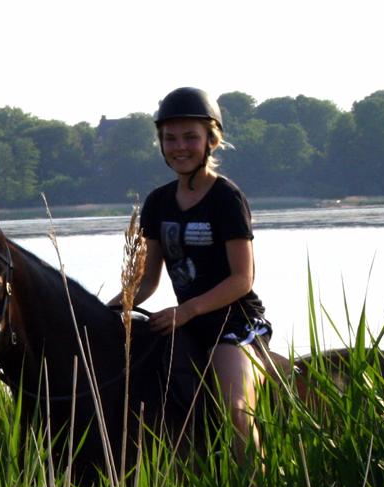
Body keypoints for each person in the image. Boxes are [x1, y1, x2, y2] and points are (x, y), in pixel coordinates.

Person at [109, 87, 271, 460]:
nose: (179, 146)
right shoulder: (158, 203)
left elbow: (242, 279)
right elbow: (147, 281)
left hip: (234, 323)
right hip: (186, 325)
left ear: (211, 140)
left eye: (190, 137)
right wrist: (109, 309)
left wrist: (187, 311)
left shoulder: (226, 198)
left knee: (235, 408)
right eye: (170, 138)